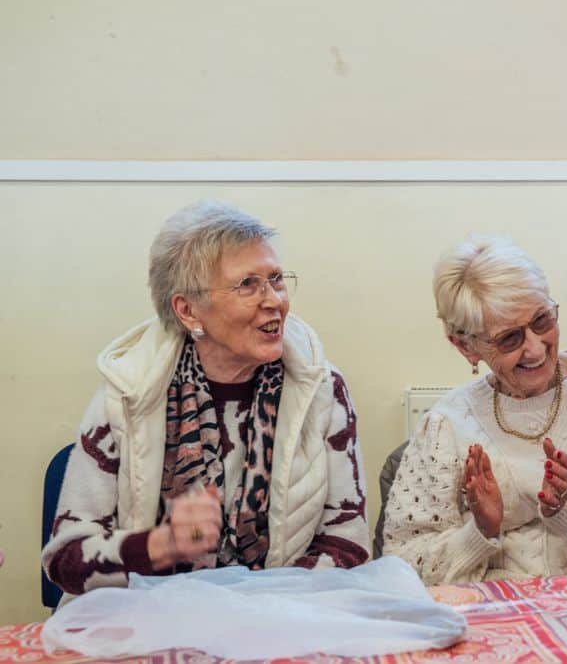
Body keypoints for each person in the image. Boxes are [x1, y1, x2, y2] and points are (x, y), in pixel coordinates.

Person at [42, 201, 370, 597]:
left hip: (282, 616)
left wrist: (262, 607)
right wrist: (161, 544)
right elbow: (65, 559)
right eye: (247, 284)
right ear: (188, 310)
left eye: (276, 279)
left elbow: (348, 543)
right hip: (150, 616)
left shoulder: (321, 387)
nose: (274, 300)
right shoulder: (128, 392)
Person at [383, 236, 567, 584]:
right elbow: (403, 563)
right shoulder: (446, 424)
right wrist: (481, 531)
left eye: (542, 321)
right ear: (465, 346)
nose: (536, 348)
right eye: (509, 338)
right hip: (498, 610)